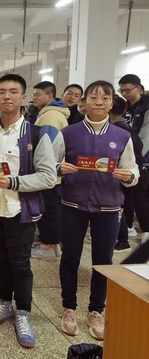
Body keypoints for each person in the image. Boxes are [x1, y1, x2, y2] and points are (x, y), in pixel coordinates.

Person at [0, 73, 57, 348]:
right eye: (2, 92)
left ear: (23, 97)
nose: (7, 96)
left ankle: (23, 312)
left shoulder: (36, 134)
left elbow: (48, 176)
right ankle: (4, 304)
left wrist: (14, 182)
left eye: (13, 91)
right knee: (0, 261)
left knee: (20, 263)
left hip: (21, 211)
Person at [55, 80, 139, 340]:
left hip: (108, 207)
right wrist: (59, 168)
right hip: (72, 205)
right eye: (93, 97)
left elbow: (132, 170)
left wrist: (128, 176)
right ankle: (69, 307)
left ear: (112, 103)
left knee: (103, 262)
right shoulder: (68, 133)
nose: (99, 102)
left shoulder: (122, 136)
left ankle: (96, 310)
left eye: (105, 98)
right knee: (70, 258)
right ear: (84, 103)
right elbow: (49, 164)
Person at [31, 81, 70, 262]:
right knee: (49, 207)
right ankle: (49, 241)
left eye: (37, 94)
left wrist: (43, 169)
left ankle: (49, 246)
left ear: (49, 96)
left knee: (48, 208)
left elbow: (48, 148)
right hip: (53, 172)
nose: (34, 98)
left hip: (49, 172)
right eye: (33, 94)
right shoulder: (48, 113)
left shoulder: (51, 116)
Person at [108, 95, 143, 253]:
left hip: (123, 175)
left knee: (119, 207)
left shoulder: (119, 130)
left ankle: (122, 241)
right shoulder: (125, 127)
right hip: (127, 175)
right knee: (122, 205)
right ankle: (122, 237)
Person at [119, 74, 149, 244]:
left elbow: (146, 137)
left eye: (127, 90)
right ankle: (128, 226)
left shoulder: (146, 107)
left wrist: (136, 158)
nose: (124, 93)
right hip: (127, 155)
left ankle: (146, 231)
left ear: (138, 88)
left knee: (140, 195)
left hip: (142, 157)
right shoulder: (126, 107)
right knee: (127, 194)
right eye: (121, 90)